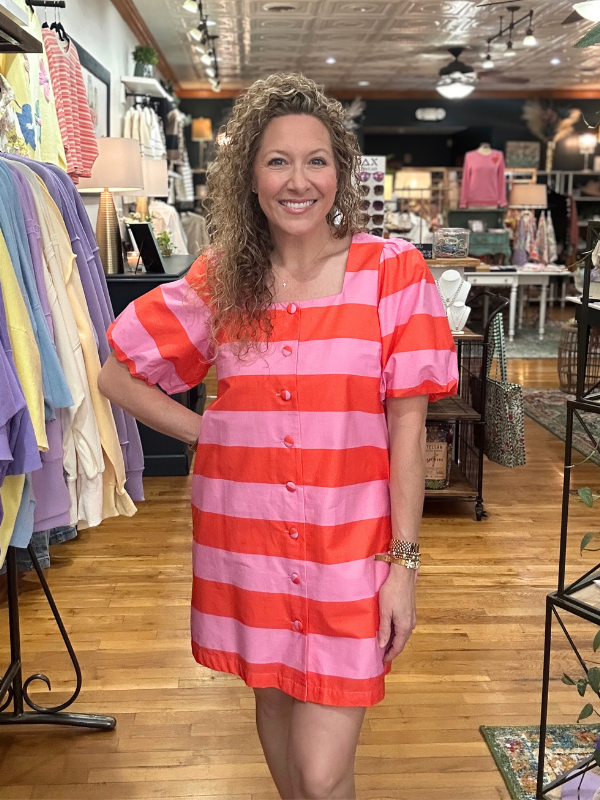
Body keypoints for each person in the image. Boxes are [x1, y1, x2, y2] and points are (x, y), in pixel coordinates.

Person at [99, 73, 458, 800]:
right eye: (277, 161)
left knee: (322, 775)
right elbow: (117, 374)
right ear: (250, 177)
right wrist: (213, 434)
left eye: (316, 160)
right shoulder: (222, 279)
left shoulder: (392, 273)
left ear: (340, 173)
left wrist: (406, 566)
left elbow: (407, 426)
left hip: (350, 547)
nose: (299, 181)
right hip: (247, 543)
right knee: (277, 706)